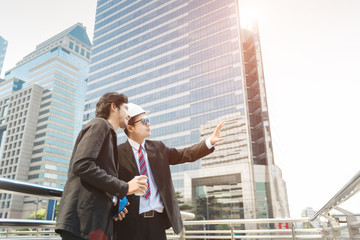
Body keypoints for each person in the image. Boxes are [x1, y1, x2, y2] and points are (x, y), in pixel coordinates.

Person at [113, 103, 226, 240]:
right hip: (130, 224)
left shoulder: (158, 147)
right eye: (144, 121)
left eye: (148, 120)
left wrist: (209, 142)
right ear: (130, 127)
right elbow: (111, 184)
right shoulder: (117, 153)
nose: (148, 124)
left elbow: (185, 154)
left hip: (157, 223)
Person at [55, 93, 148, 240]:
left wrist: (114, 206)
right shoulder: (100, 124)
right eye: (125, 108)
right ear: (113, 107)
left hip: (94, 225)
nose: (128, 115)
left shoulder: (109, 134)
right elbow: (82, 165)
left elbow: (97, 181)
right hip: (82, 224)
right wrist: (125, 187)